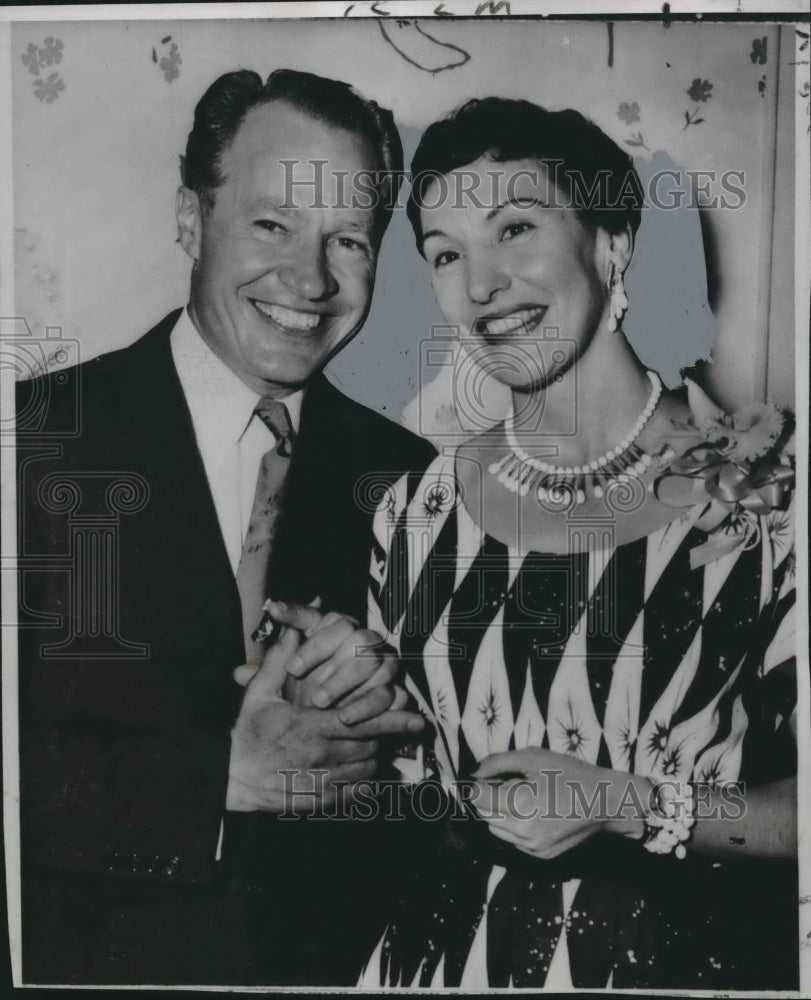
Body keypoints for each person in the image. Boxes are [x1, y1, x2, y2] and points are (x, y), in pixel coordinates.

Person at [357, 98, 798, 989]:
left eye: (513, 227)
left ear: (611, 245)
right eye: (445, 254)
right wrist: (333, 705)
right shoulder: (410, 513)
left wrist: (629, 806)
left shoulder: (771, 502)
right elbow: (404, 791)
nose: (479, 284)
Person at [15, 68, 434, 986]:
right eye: (272, 224)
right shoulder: (29, 446)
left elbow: (439, 794)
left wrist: (398, 719)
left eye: (349, 241)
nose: (311, 279)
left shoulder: (417, 482)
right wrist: (213, 781)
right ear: (189, 219)